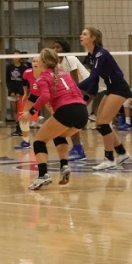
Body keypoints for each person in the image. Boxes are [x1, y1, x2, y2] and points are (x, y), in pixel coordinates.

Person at [18, 48, 89, 190]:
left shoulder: (44, 77)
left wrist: (30, 112)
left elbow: (44, 97)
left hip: (67, 110)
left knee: (39, 141)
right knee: (58, 135)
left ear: (43, 62)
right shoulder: (64, 74)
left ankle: (43, 175)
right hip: (82, 112)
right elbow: (79, 93)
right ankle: (64, 166)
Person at [77, 27, 132, 171]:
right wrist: (85, 97)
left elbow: (93, 77)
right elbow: (94, 83)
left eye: (84, 34)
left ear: (93, 38)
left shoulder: (101, 54)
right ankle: (121, 152)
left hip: (119, 87)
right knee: (100, 123)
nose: (80, 36)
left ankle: (109, 159)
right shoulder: (90, 55)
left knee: (103, 123)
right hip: (111, 87)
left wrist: (74, 87)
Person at [51, 39, 88, 161]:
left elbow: (75, 80)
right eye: (54, 48)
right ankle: (77, 147)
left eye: (58, 48)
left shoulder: (70, 58)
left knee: (71, 117)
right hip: (74, 91)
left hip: (86, 87)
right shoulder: (57, 63)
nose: (55, 50)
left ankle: (79, 149)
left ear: (64, 48)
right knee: (70, 118)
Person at [15, 56, 43, 152]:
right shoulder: (27, 72)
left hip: (46, 96)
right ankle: (26, 141)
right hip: (34, 95)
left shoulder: (46, 73)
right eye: (33, 61)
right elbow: (24, 81)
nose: (35, 63)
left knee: (57, 116)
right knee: (23, 116)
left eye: (37, 61)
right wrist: (26, 93)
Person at [6, 51, 29, 136]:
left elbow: (24, 81)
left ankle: (23, 129)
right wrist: (11, 91)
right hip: (12, 92)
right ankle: (18, 128)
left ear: (20, 57)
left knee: (21, 111)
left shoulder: (24, 68)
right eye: (14, 55)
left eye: (17, 56)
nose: (15, 57)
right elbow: (7, 80)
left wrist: (20, 92)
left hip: (21, 93)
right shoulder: (9, 67)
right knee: (14, 110)